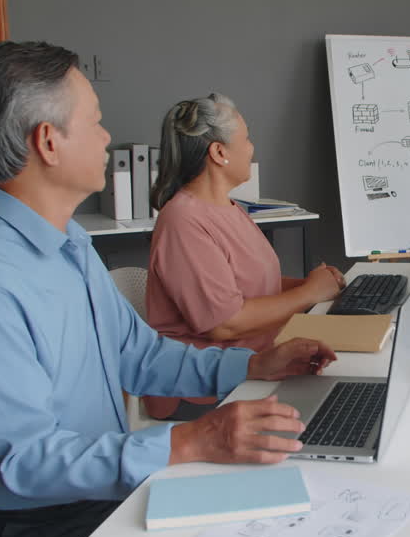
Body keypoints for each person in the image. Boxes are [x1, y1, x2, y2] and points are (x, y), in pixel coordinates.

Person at [0, 41, 336, 537]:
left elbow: (141, 357)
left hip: (88, 496)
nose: (107, 136)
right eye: (94, 121)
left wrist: (255, 364)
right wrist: (191, 441)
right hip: (14, 536)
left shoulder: (70, 244)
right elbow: (25, 460)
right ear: (48, 141)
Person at [140, 93, 345, 421]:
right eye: (246, 138)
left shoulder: (229, 208)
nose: (251, 148)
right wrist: (309, 293)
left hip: (254, 363)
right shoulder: (182, 220)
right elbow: (224, 323)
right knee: (333, 412)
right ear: (219, 152)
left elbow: (249, 285)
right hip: (201, 387)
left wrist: (312, 285)